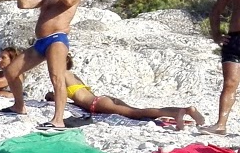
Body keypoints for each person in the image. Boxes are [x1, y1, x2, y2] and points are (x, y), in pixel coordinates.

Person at [2, 0, 82, 132]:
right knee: (11, 71)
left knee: (56, 77)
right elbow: (23, 5)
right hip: (40, 42)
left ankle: (58, 120)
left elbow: (68, 1)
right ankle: (19, 106)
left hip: (57, 39)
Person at [45, 54, 205, 129]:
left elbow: (61, 94)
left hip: (96, 104)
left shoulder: (62, 75)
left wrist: (50, 96)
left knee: (136, 113)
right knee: (137, 112)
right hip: (102, 99)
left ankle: (178, 113)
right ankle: (181, 111)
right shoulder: (73, 75)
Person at [203, 0, 240, 135]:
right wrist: (216, 35)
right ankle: (220, 125)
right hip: (234, 39)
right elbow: (216, 10)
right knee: (229, 83)